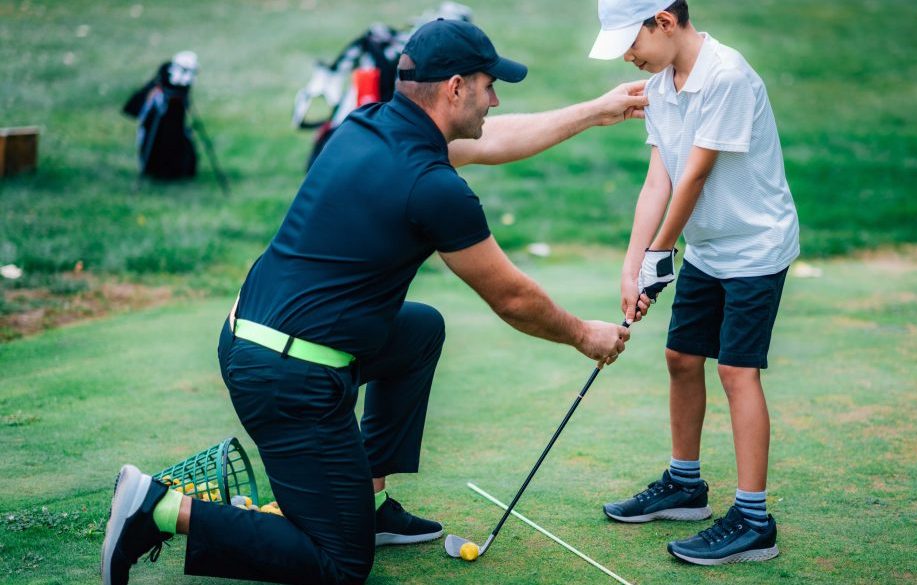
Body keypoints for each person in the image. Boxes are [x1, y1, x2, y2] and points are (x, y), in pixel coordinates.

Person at [101, 18, 648, 585]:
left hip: (253, 336)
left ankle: (369, 500)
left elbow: (500, 136)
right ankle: (158, 509)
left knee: (418, 331)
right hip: (289, 382)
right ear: (455, 88)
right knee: (340, 563)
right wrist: (585, 335)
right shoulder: (432, 185)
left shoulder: (366, 127)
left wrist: (595, 110)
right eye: (489, 86)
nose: (495, 99)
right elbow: (512, 298)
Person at [588, 0, 800, 566]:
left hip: (755, 245)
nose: (627, 56)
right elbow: (661, 177)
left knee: (736, 369)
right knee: (682, 357)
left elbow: (698, 174)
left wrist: (661, 252)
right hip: (708, 246)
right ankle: (686, 486)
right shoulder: (661, 85)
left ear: (664, 20)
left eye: (630, 42)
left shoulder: (726, 75)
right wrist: (634, 264)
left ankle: (755, 520)